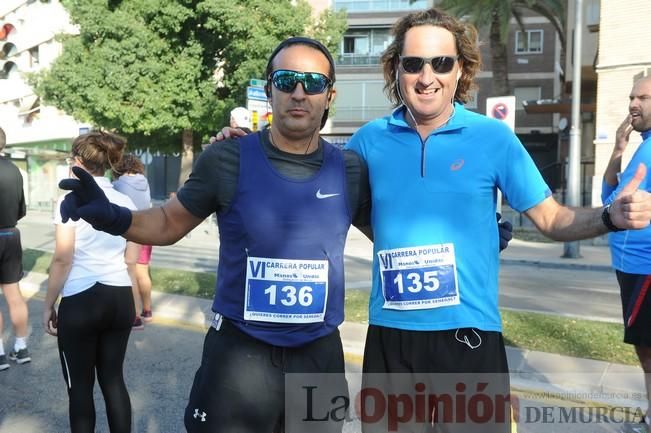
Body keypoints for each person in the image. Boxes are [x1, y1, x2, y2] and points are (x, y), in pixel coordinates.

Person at [343, 8, 651, 433]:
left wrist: (609, 218)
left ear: (460, 70)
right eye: (413, 63)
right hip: (391, 338)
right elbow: (326, 199)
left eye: (441, 63)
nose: (426, 76)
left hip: (469, 338)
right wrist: (249, 148)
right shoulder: (366, 141)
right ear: (396, 68)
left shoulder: (493, 139)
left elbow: (551, 218)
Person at [57, 36, 371, 433]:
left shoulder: (351, 170)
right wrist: (111, 216)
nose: (298, 92)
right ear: (269, 87)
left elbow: (395, 235)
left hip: (318, 357)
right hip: (240, 356)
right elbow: (169, 223)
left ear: (329, 95)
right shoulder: (227, 158)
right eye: (287, 79)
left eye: (312, 83)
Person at [43, 131, 139, 433]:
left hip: (81, 299)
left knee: (80, 388)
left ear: (78, 162)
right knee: (113, 381)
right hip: (120, 296)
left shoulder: (68, 199)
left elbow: (62, 258)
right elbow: (131, 259)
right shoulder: (125, 200)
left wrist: (48, 304)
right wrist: (134, 303)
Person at [602, 76, 651, 429]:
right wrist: (618, 150)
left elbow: (610, 204)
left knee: (648, 351)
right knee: (644, 348)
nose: (633, 104)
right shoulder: (643, 145)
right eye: (632, 97)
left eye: (644, 98)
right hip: (630, 266)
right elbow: (609, 196)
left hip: (645, 266)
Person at [0, 126, 31, 370]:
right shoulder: (15, 170)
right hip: (11, 234)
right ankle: (21, 347)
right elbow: (21, 209)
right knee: (14, 295)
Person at [112, 153, 154, 327]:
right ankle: (147, 310)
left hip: (129, 232)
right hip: (148, 231)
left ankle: (135, 316)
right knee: (143, 272)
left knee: (130, 272)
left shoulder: (118, 184)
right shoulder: (144, 182)